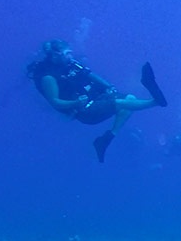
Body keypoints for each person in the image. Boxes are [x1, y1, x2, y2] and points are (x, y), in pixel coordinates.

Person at [27, 39, 168, 162]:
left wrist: (109, 87)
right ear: (56, 55)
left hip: (95, 98)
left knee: (129, 99)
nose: (70, 56)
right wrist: (75, 103)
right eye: (67, 53)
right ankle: (155, 102)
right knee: (119, 104)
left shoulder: (71, 64)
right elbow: (55, 102)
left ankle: (106, 138)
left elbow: (90, 75)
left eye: (70, 52)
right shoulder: (48, 77)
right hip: (84, 111)